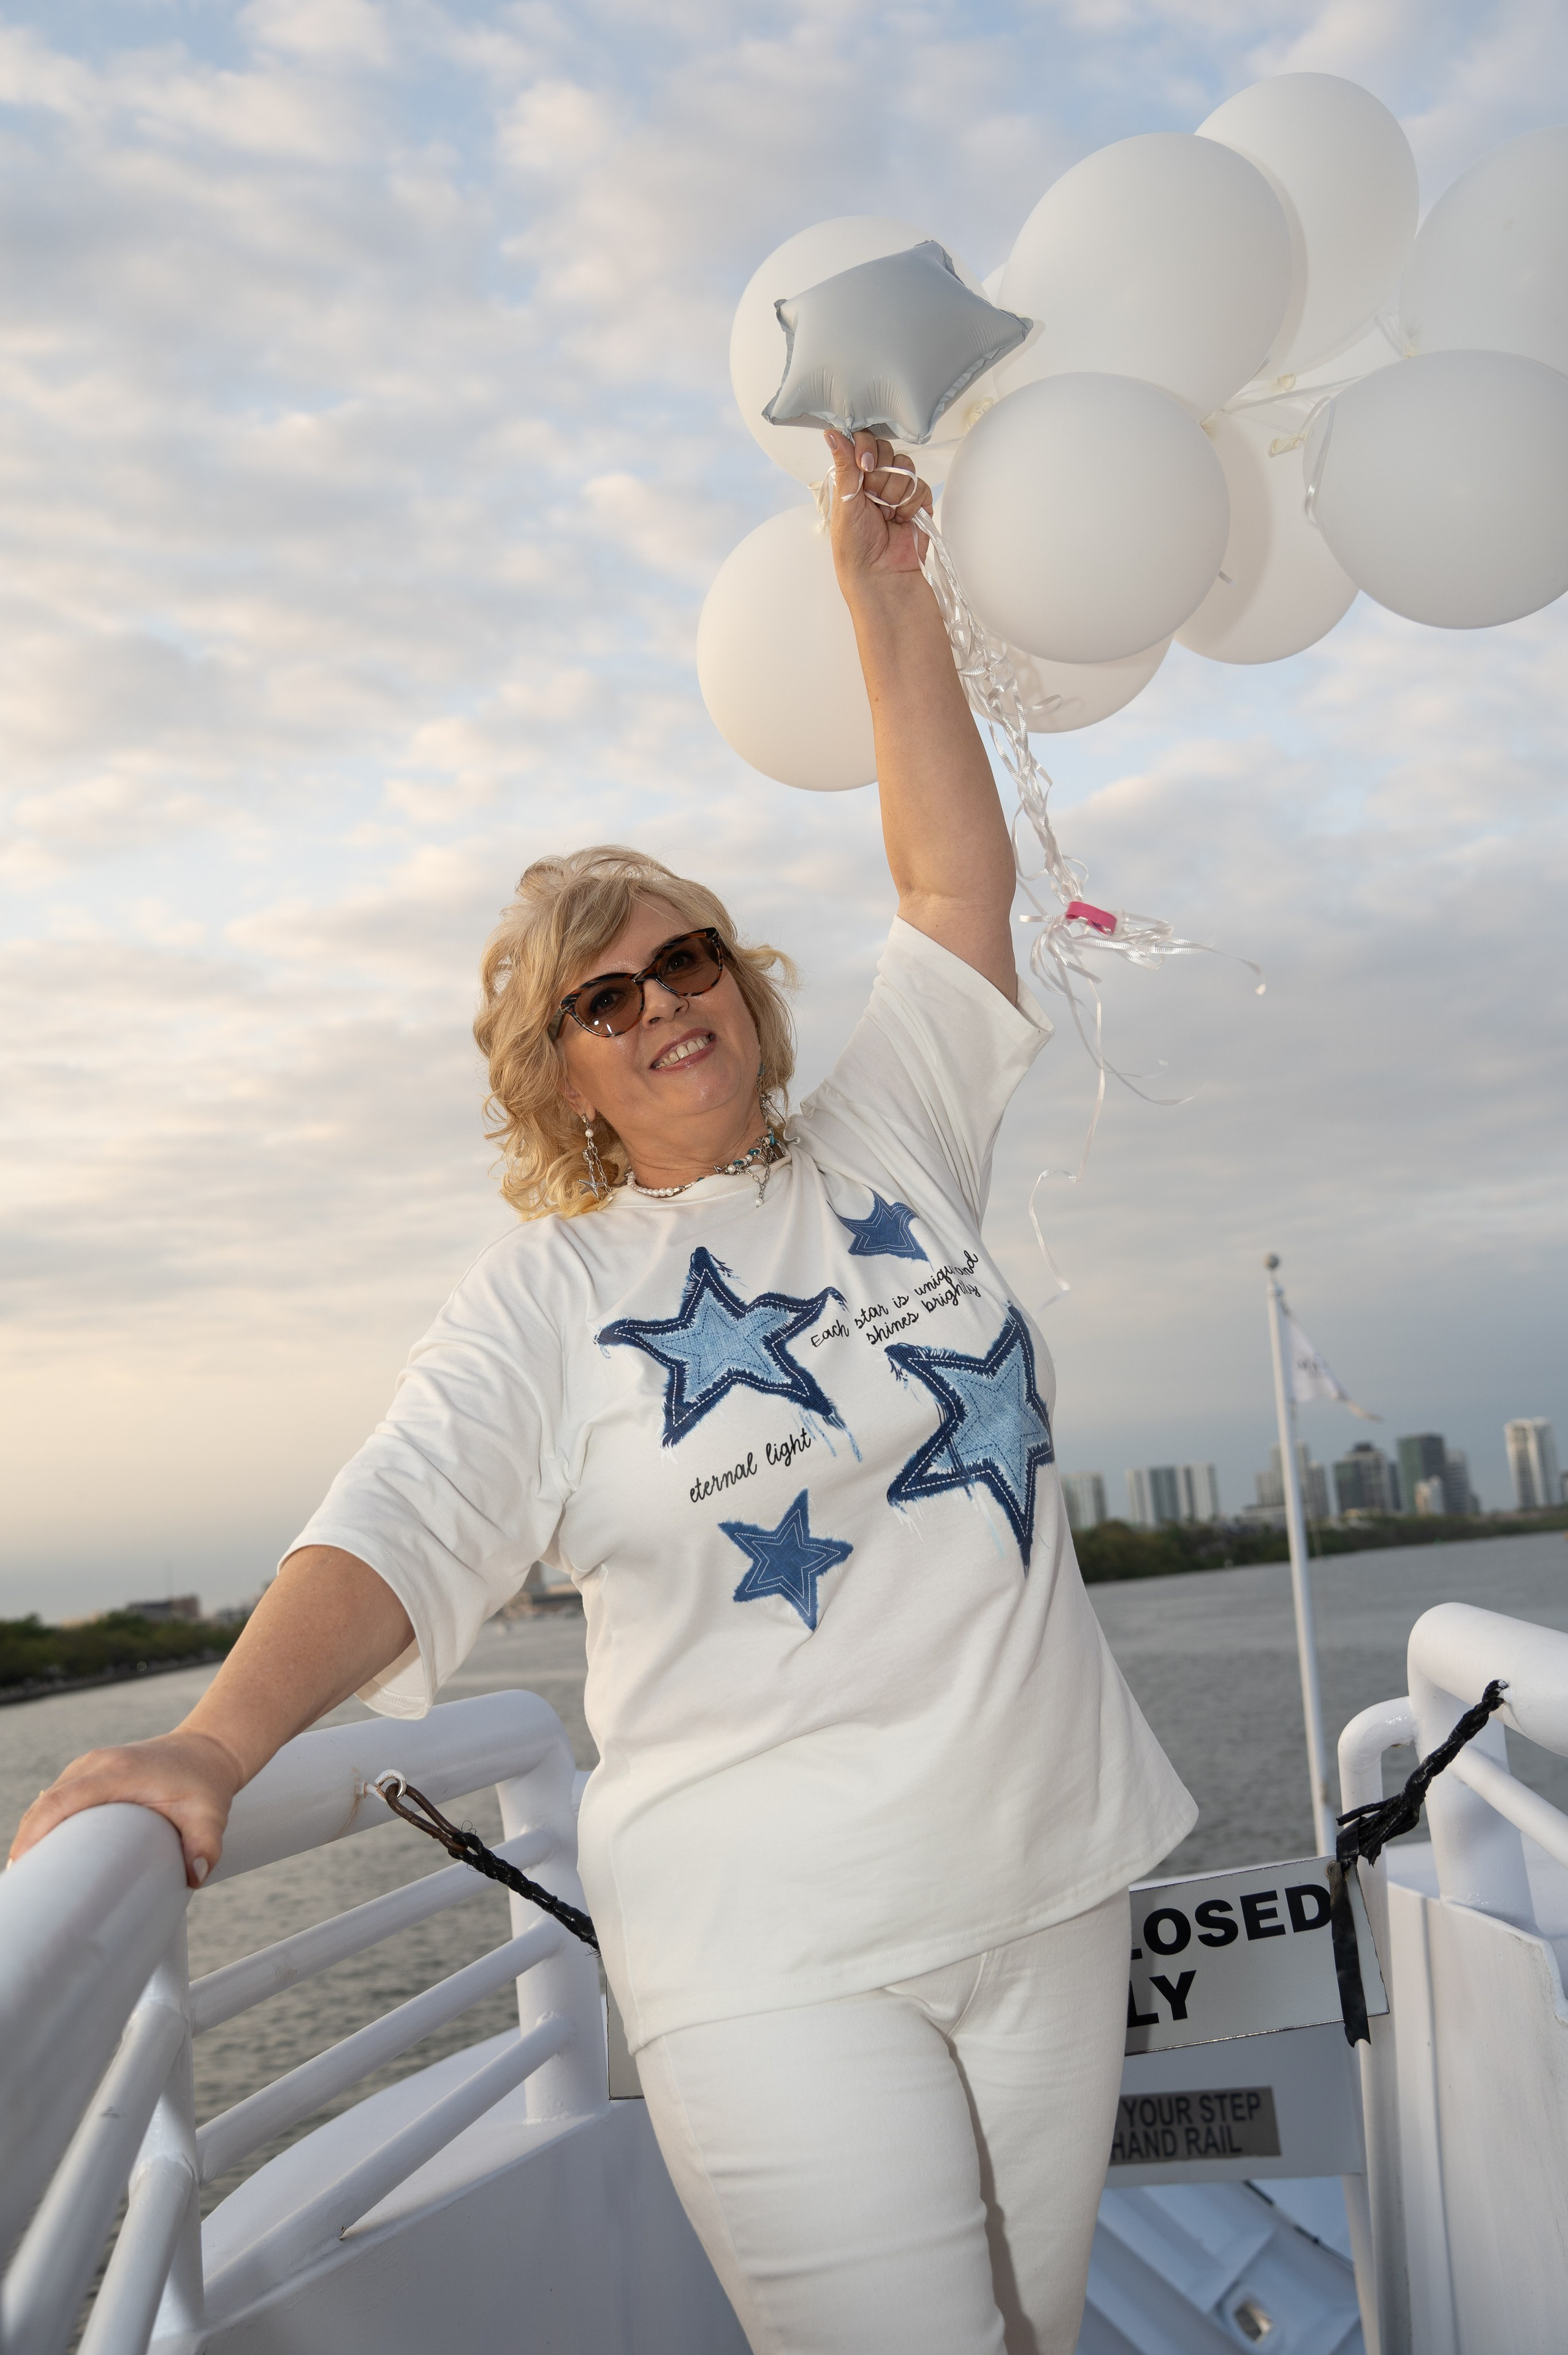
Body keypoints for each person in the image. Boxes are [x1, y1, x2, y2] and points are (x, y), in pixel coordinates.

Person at [13, 427, 1194, 2355]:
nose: (663, 1001)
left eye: (687, 954)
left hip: (1050, 1879)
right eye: (605, 995)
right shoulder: (549, 1296)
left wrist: (884, 598)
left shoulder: (889, 1139)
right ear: (557, 1069)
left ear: (745, 977)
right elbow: (397, 1521)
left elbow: (952, 883)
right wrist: (211, 1745)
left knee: (1038, 2333)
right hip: (770, 1959)